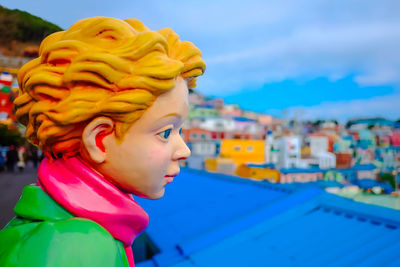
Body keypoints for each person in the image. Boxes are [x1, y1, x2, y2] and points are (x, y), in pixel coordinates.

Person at [0, 17, 205, 266]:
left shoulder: (62, 227)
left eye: (179, 131)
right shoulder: (80, 246)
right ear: (99, 139)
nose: (183, 150)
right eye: (165, 132)